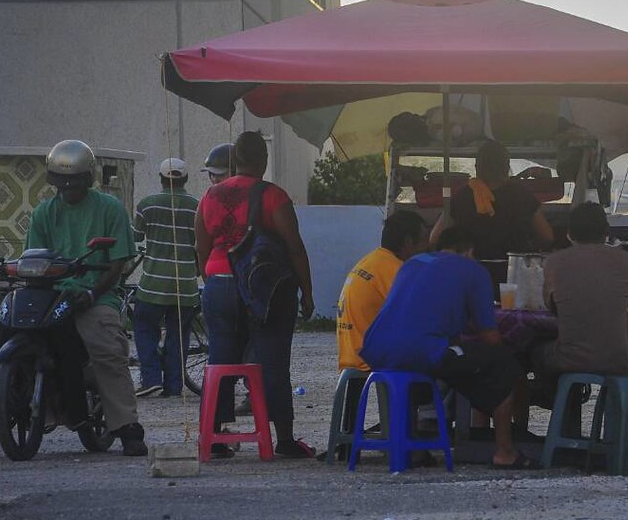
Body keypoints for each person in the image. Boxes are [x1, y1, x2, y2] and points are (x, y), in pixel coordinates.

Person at [0, 140, 147, 459]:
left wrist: (92, 292)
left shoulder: (110, 209)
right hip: (50, 294)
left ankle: (127, 427)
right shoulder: (43, 213)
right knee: (5, 352)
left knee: (106, 348)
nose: (68, 188)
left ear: (88, 179)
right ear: (52, 180)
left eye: (75, 181)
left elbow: (117, 262)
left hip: (95, 296)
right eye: (62, 181)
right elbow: (33, 259)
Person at [360, 225, 539, 470]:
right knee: (504, 365)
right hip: (420, 350)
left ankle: (412, 450)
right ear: (469, 251)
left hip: (375, 349)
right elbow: (489, 334)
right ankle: (505, 452)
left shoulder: (412, 264)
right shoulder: (473, 270)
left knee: (428, 367)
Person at [194, 130, 315, 459]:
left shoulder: (209, 197)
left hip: (218, 282)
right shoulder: (273, 196)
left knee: (220, 359)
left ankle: (216, 435)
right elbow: (295, 248)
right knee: (272, 361)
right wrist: (307, 292)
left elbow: (201, 249)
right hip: (263, 287)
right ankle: (285, 439)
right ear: (263, 160)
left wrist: (216, 279)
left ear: (234, 161)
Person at [532, 201, 628, 383]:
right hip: (620, 360)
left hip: (567, 359)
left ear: (569, 233)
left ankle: (556, 401)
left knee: (535, 351)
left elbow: (551, 306)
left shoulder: (554, 262)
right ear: (607, 231)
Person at [433, 138, 554, 290]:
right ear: (506, 166)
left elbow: (435, 238)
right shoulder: (521, 194)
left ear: (478, 166)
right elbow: (547, 237)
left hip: (470, 273)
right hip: (514, 274)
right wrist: (528, 252)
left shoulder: (463, 196)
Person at [132, 157, 200, 397]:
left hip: (152, 285)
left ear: (161, 179)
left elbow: (136, 236)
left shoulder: (147, 205)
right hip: (185, 286)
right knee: (179, 335)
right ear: (186, 179)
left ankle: (151, 378)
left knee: (143, 326)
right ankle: (173, 386)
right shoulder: (197, 206)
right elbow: (200, 244)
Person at [337, 211, 429, 372]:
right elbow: (420, 317)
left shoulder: (372, 260)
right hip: (370, 357)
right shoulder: (396, 270)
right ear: (408, 242)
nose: (427, 247)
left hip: (351, 353)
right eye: (423, 241)